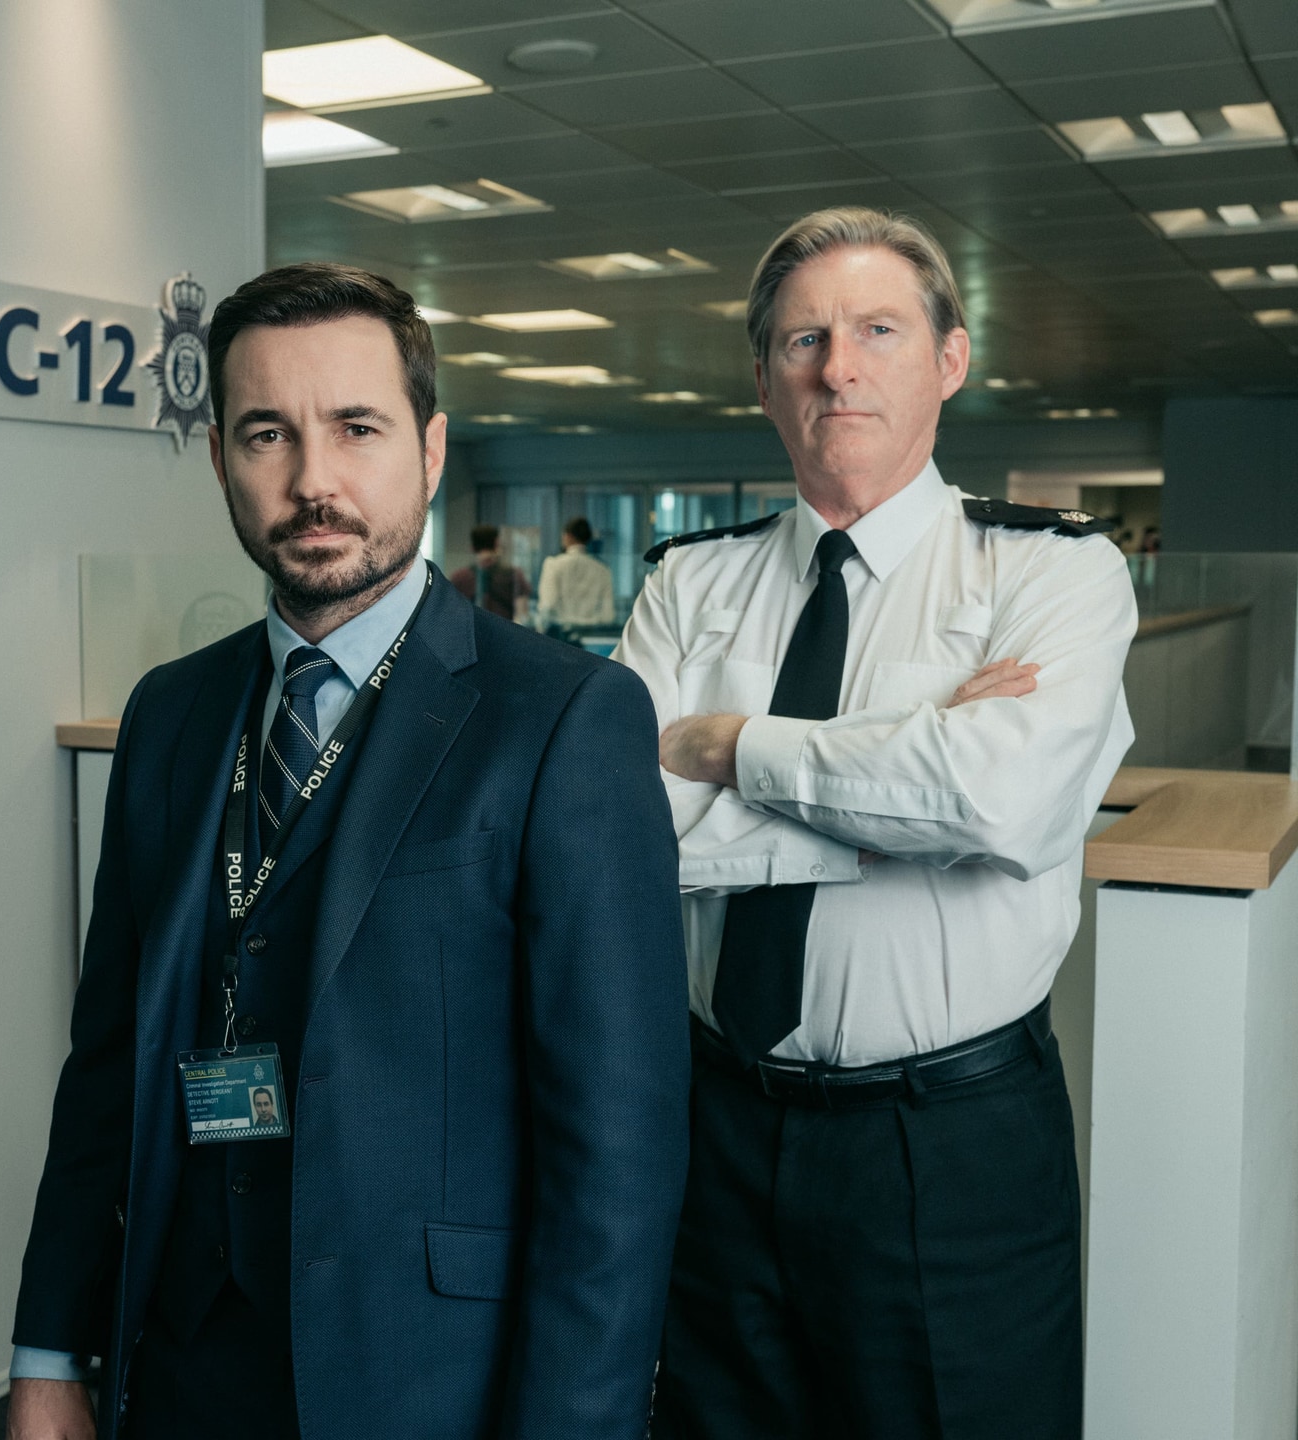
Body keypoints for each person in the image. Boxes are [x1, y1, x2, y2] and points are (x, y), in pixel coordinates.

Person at [6, 262, 689, 1440]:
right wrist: (50, 1349)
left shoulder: (563, 718)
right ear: (219, 456)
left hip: (429, 1375)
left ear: (428, 450)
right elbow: (107, 1067)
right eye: (268, 433)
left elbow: (616, 1154)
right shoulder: (171, 713)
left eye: (356, 428)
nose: (313, 481)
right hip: (185, 1364)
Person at [614, 208, 1136, 1440]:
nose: (835, 367)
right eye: (801, 339)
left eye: (876, 331)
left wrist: (730, 745)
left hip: (947, 1142)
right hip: (716, 1124)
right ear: (763, 379)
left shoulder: (1051, 573)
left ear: (950, 359)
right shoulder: (691, 581)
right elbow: (625, 839)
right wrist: (908, 786)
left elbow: (997, 796)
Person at [536, 516, 617, 633]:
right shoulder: (603, 570)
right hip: (592, 636)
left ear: (567, 536)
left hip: (561, 636)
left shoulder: (553, 565)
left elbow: (548, 604)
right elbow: (608, 615)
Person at [448, 523, 530, 623]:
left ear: (472, 547)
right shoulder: (513, 574)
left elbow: (451, 612)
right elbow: (521, 614)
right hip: (503, 634)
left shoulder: (459, 577)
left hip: (470, 634)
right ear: (497, 544)